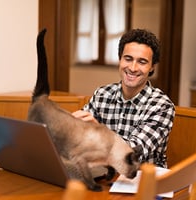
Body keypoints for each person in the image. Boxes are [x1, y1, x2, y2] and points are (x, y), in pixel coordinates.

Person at [72, 29, 175, 168]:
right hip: (104, 176)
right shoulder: (102, 94)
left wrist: (97, 131)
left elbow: (131, 154)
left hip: (143, 181)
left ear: (152, 67)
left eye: (142, 62)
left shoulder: (162, 106)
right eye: (128, 59)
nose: (133, 68)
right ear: (120, 59)